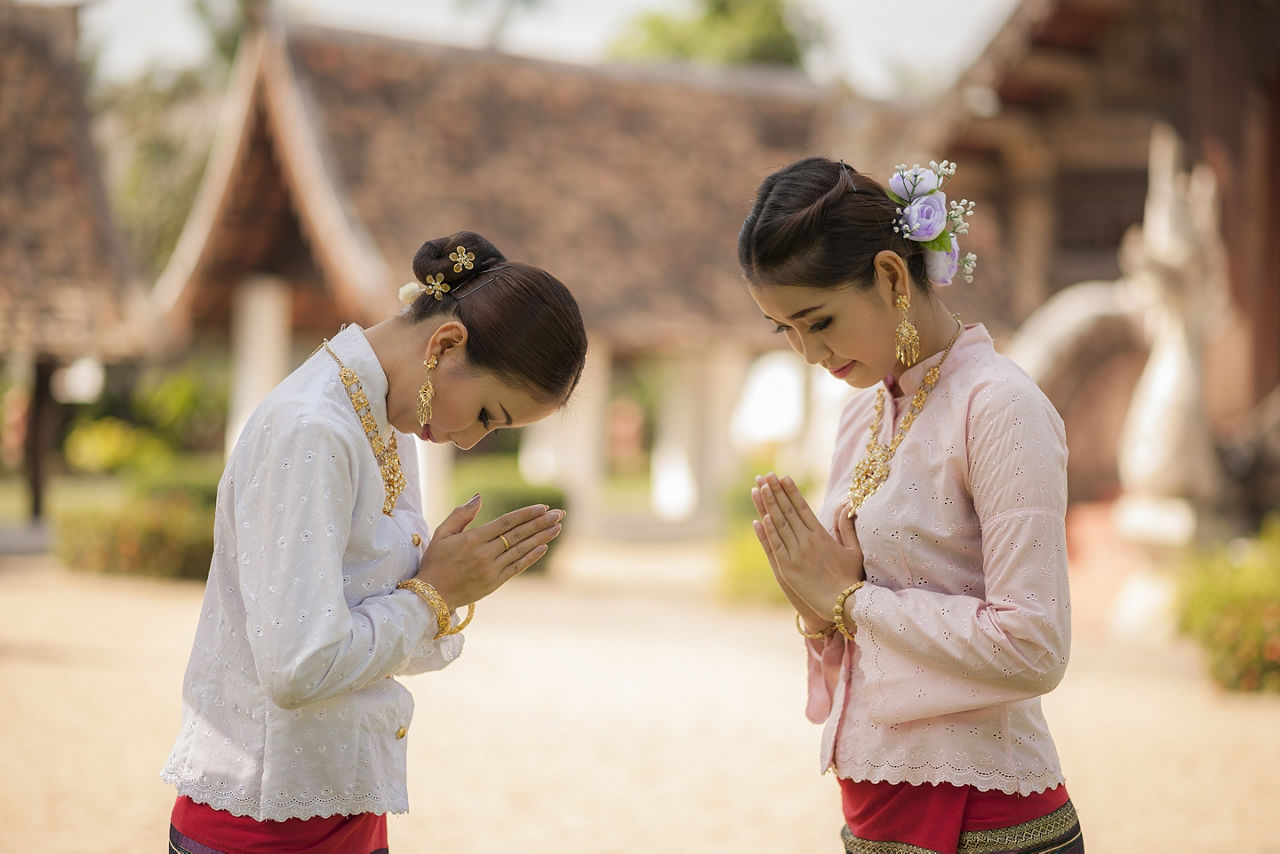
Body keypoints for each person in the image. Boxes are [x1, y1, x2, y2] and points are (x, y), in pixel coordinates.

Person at [161, 231, 587, 854]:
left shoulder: (383, 424)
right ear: (446, 343)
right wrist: (431, 594)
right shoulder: (312, 429)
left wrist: (444, 590)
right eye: (489, 415)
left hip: (349, 809)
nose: (471, 441)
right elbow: (298, 667)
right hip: (256, 829)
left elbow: (381, 648)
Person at [738, 157, 1084, 854]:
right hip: (874, 812)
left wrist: (850, 602)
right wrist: (818, 609)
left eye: (818, 320)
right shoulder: (860, 412)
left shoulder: (1000, 406)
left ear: (893, 276)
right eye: (785, 330)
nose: (808, 352)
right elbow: (861, 627)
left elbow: (1035, 645)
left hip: (988, 821)